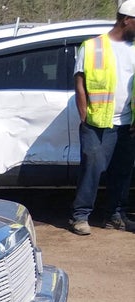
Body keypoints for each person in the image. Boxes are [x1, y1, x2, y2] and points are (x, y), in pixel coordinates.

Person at [70, 0, 135, 235]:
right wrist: (84, 116)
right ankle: (80, 216)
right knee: (92, 170)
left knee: (122, 172)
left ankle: (114, 216)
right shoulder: (92, 47)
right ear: (126, 20)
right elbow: (79, 83)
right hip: (96, 124)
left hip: (126, 124)